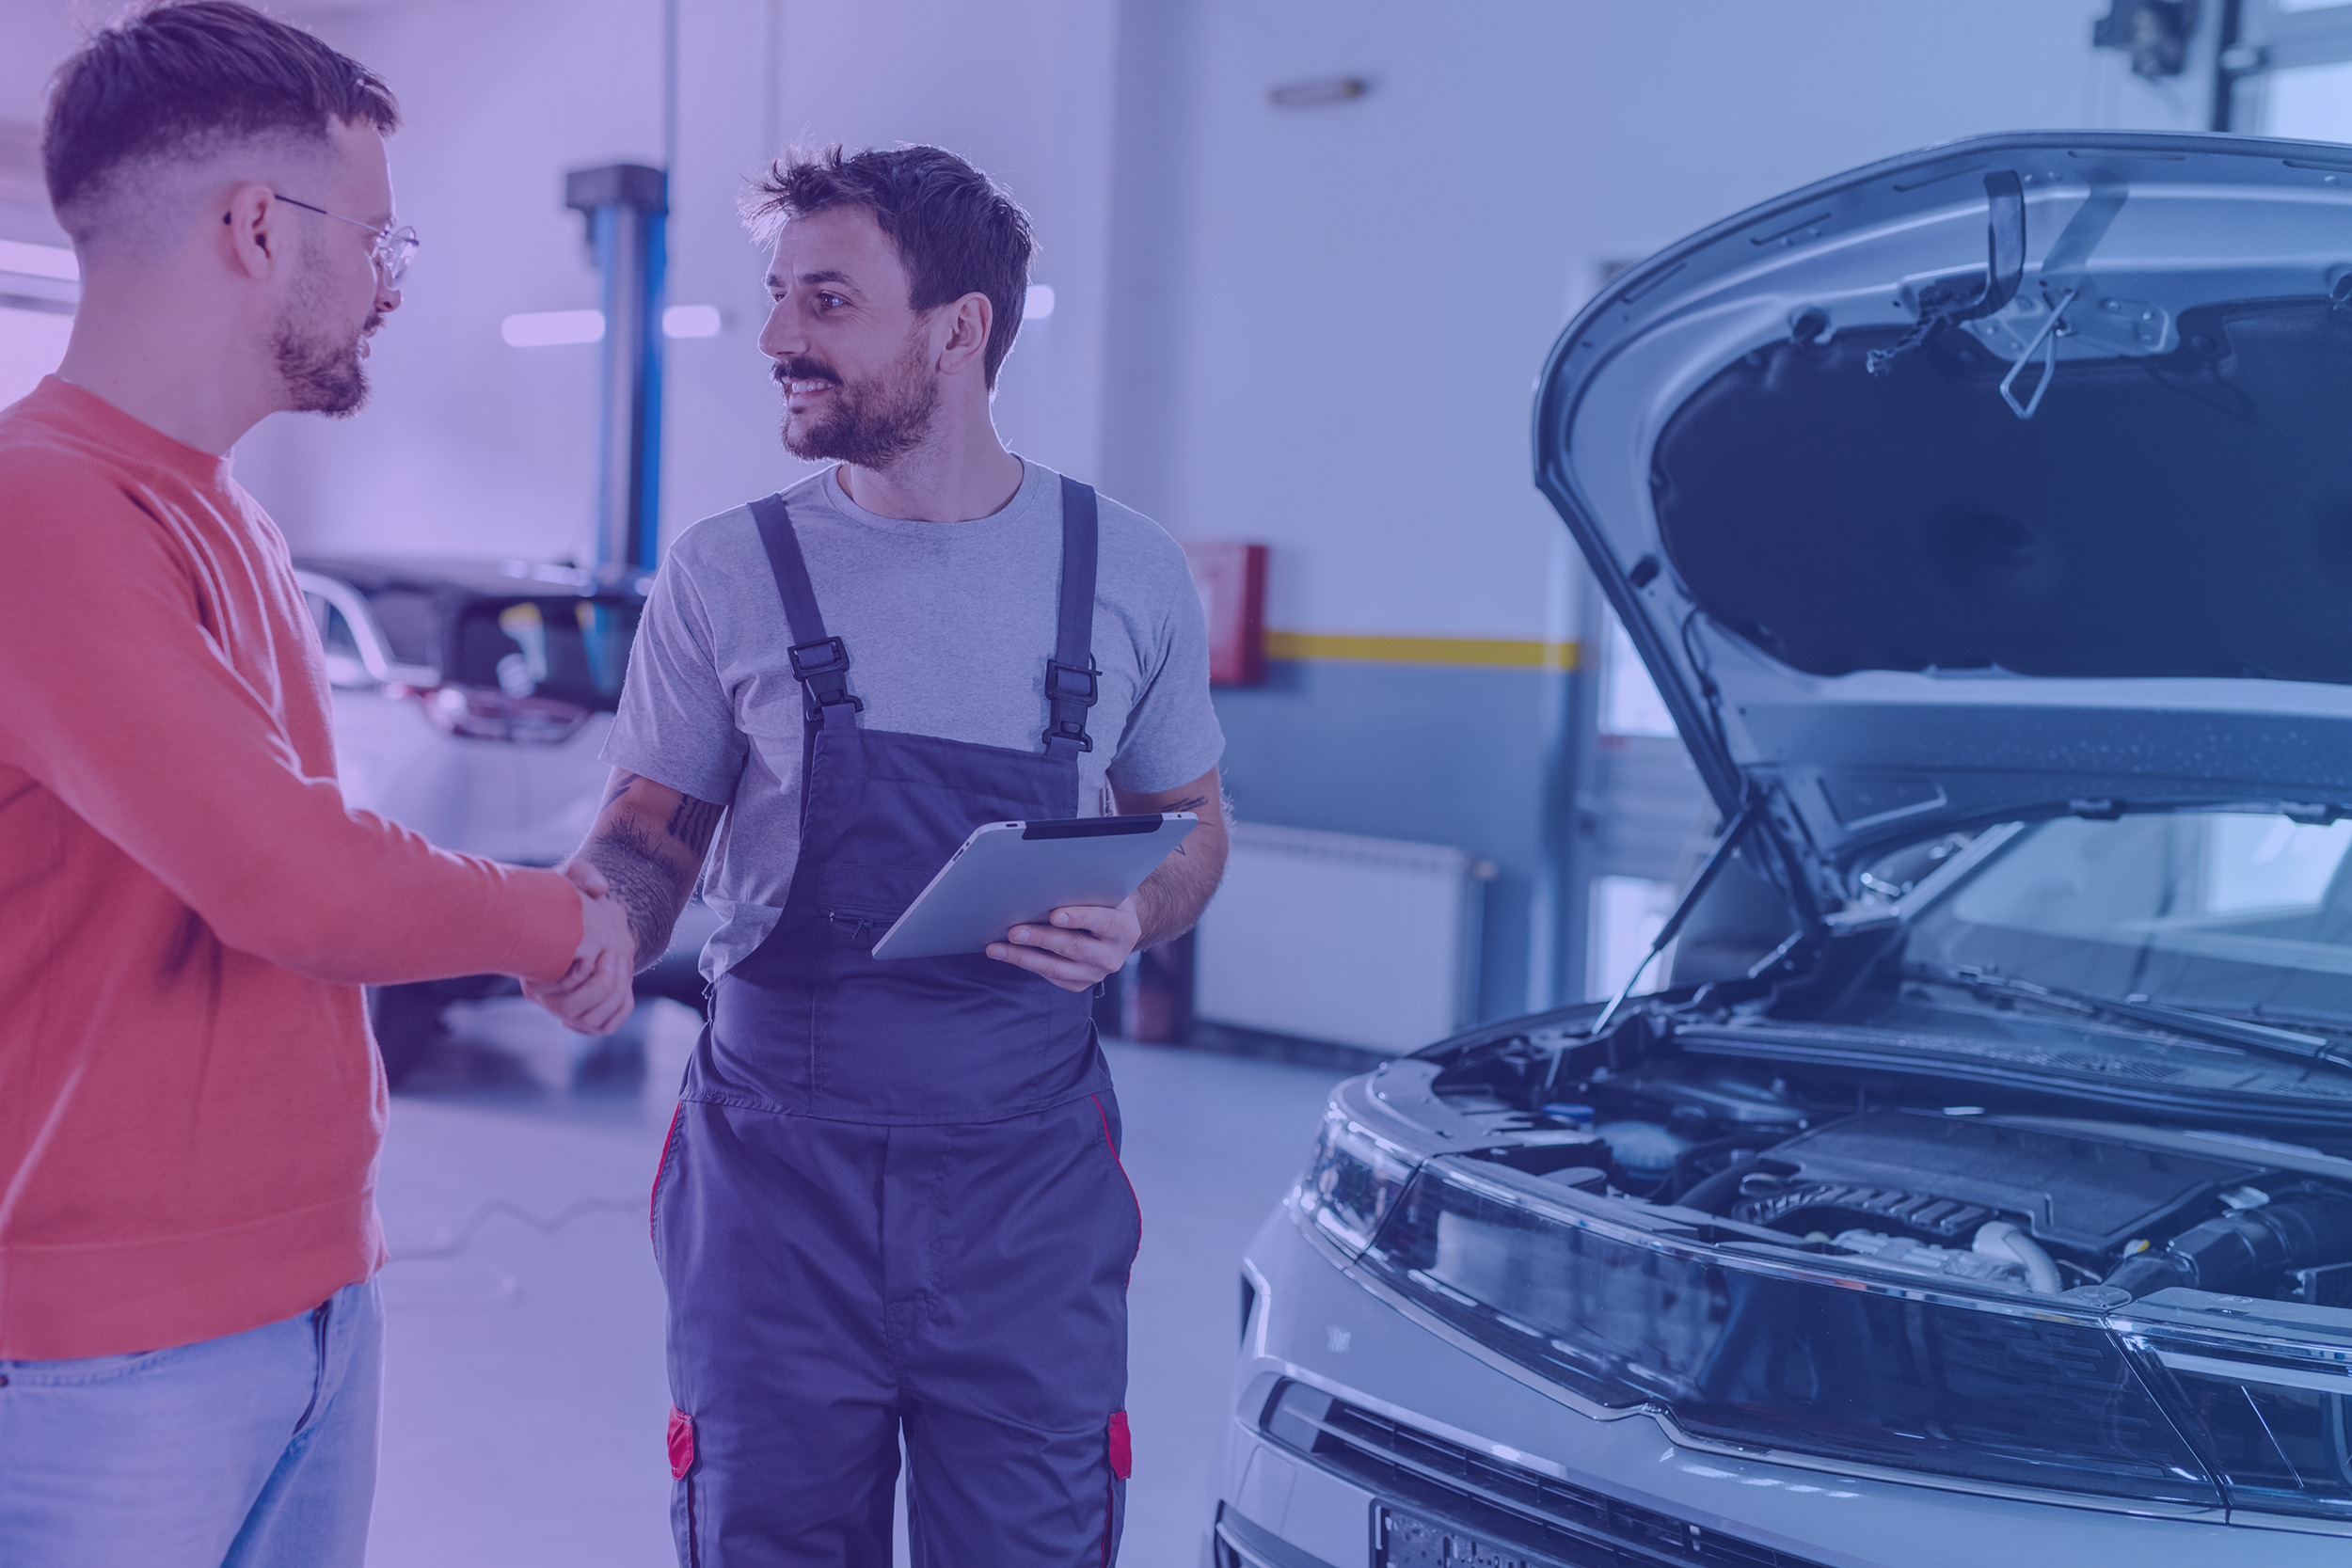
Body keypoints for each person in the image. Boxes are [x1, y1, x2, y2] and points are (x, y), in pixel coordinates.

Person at [527, 143, 1229, 1564]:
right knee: (764, 1534)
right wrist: (599, 918)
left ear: (957, 329)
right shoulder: (726, 573)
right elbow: (648, 837)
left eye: (827, 301)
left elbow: (1198, 830)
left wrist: (1140, 908)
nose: (779, 337)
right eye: (777, 296)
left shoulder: (1128, 570)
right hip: (774, 1184)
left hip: (1025, 1189)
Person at [0, 6, 633, 1564]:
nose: (388, 282)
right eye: (379, 240)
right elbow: (293, 879)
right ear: (255, 227)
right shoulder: (45, 508)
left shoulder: (225, 515)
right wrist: (561, 922)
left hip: (303, 1299)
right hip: (111, 1348)